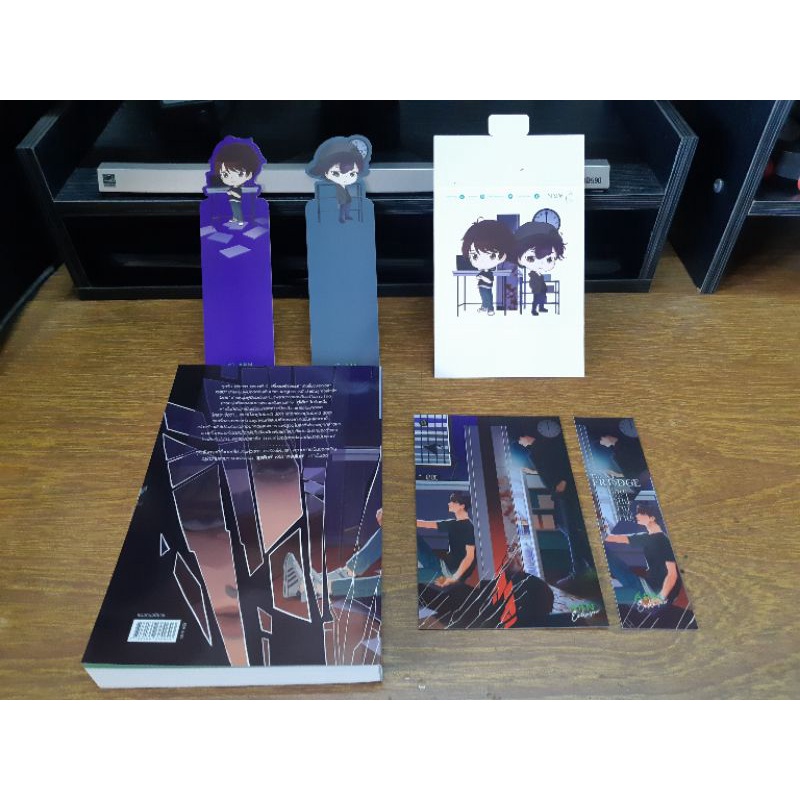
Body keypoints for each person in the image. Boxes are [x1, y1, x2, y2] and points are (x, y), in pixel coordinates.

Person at [516, 432, 593, 587]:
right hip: (559, 492)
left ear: (526, 436)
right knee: (564, 526)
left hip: (566, 491)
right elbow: (546, 469)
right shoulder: (536, 450)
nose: (520, 443)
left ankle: (581, 569)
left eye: (520, 439)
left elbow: (565, 461)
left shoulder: (548, 445)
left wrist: (563, 481)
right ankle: (588, 563)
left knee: (571, 530)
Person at [605, 502, 681, 604]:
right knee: (610, 559)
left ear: (652, 518)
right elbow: (620, 538)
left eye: (641, 513)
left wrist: (660, 598)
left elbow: (672, 575)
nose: (637, 516)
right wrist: (603, 533)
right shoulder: (647, 537)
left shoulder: (664, 541)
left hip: (655, 593)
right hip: (645, 585)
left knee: (609, 593)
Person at [306, 136, 371, 223]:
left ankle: (346, 215)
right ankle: (342, 217)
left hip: (344, 189)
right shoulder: (336, 186)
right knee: (343, 202)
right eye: (336, 173)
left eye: (352, 174)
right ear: (325, 172)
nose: (344, 178)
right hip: (339, 188)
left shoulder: (346, 184)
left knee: (348, 201)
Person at [416, 491, 476, 587]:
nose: (449, 503)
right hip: (441, 565)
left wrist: (453, 578)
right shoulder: (453, 524)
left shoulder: (468, 527)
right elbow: (427, 524)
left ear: (462, 506)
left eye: (453, 501)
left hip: (446, 574)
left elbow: (469, 557)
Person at [460, 219, 515, 316]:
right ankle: (484, 307)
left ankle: (490, 308)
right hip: (482, 287)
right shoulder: (483, 270)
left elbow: (489, 280)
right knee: (483, 297)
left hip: (487, 287)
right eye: (475, 256)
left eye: (492, 256)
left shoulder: (489, 271)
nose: (482, 261)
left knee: (488, 298)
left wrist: (481, 277)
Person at [207, 138, 264, 226]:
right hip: (232, 201)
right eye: (225, 175)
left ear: (249, 175)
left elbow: (238, 196)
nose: (231, 178)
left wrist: (231, 193)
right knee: (234, 211)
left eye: (239, 174)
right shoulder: (232, 186)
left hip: (237, 201)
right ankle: (235, 218)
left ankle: (240, 220)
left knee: (237, 210)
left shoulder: (238, 187)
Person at [513, 220, 565, 316]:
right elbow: (533, 284)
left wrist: (543, 289)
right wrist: (536, 289)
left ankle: (541, 308)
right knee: (536, 300)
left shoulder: (539, 274)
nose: (541, 264)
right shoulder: (533, 275)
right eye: (531, 258)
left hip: (542, 291)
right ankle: (534, 310)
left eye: (549, 259)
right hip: (537, 291)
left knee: (542, 299)